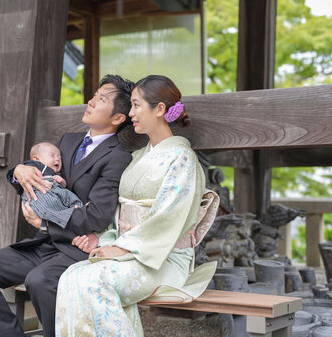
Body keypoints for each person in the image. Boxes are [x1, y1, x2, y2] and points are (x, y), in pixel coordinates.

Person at [0, 75, 135, 337]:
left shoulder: (118, 156)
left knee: (39, 281)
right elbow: (39, 174)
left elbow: (98, 216)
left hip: (77, 248)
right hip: (44, 245)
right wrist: (18, 171)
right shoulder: (67, 141)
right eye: (94, 94)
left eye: (101, 99)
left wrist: (45, 223)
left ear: (118, 118)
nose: (91, 101)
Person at [55, 75, 218, 337]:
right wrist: (104, 238)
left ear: (160, 109)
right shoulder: (139, 156)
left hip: (162, 258)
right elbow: (122, 210)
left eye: (136, 105)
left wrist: (121, 248)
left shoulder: (182, 159)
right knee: (72, 275)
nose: (131, 113)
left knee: (94, 281)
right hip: (131, 251)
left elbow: (168, 218)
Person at [7, 141, 83, 228]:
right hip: (39, 193)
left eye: (59, 157)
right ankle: (65, 217)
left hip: (57, 192)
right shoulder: (34, 166)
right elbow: (22, 176)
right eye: (52, 156)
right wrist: (18, 170)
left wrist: (62, 182)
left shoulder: (57, 172)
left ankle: (80, 209)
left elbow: (64, 186)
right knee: (47, 206)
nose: (57, 159)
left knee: (71, 197)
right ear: (36, 159)